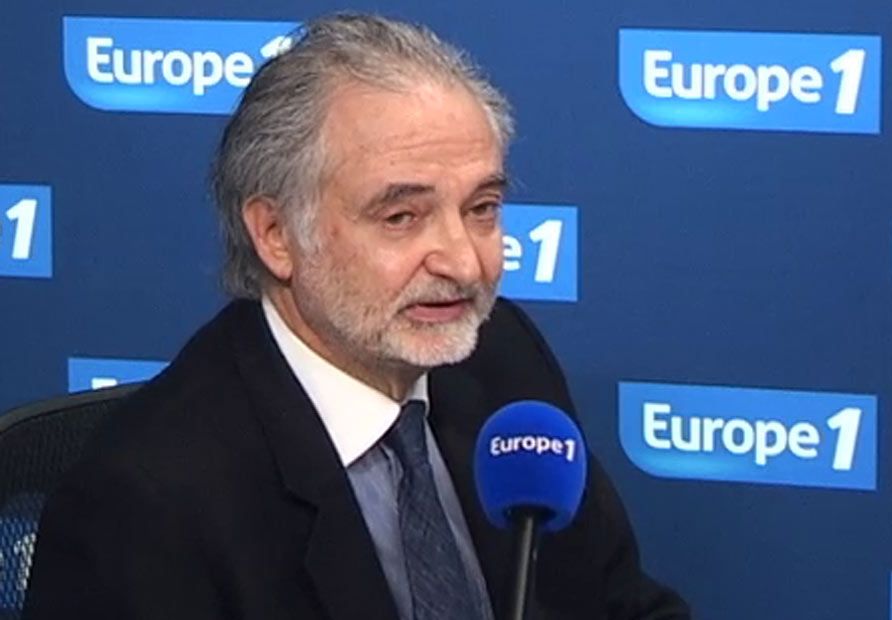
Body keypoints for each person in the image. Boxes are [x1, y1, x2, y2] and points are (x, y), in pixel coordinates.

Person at [23, 13, 690, 620]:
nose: (464, 262)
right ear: (277, 235)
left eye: (482, 209)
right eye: (401, 217)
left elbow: (622, 607)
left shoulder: (501, 357)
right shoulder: (143, 504)